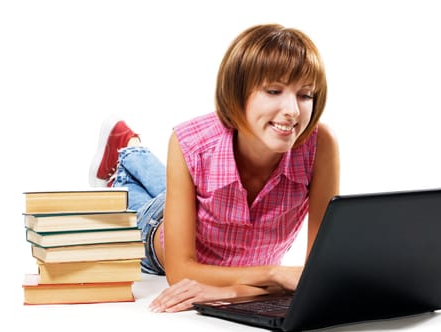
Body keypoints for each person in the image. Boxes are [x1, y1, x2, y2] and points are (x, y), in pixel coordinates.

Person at [89, 23, 340, 313]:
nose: (293, 111)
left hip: (200, 211)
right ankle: (127, 153)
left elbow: (316, 275)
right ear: (238, 91)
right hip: (157, 230)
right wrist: (273, 274)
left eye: (305, 95)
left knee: (170, 190)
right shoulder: (190, 142)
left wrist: (233, 291)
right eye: (273, 90)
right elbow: (180, 272)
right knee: (129, 200)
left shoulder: (320, 145)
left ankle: (128, 142)